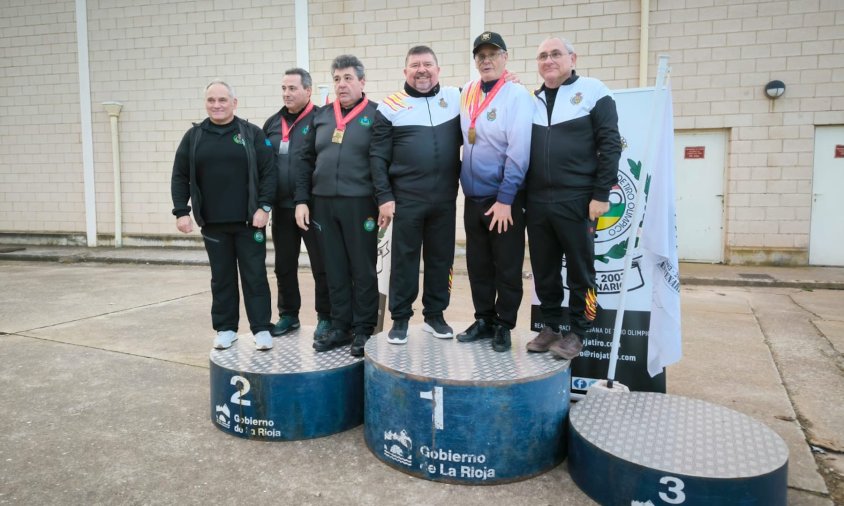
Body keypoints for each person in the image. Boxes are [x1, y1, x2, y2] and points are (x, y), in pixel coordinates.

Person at [525, 36, 622, 360]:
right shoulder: (532, 100)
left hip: (578, 198)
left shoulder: (595, 91)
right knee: (544, 269)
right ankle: (550, 325)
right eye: (542, 56)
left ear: (572, 58)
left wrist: (600, 193)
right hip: (538, 201)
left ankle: (579, 331)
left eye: (555, 54)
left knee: (582, 271)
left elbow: (610, 145)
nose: (548, 60)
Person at [171, 80, 277, 351]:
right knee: (222, 278)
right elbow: (180, 176)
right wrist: (181, 211)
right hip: (213, 223)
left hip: (249, 221)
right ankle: (226, 328)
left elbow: (269, 173)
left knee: (254, 276)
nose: (216, 105)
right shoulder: (194, 137)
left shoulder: (251, 133)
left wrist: (264, 207)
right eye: (211, 100)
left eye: (222, 100)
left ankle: (261, 329)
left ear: (234, 103)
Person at [369, 45, 462, 345]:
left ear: (438, 69)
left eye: (428, 64)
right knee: (405, 261)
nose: (422, 70)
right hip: (406, 199)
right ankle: (401, 318)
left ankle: (435, 315)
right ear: (405, 71)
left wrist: (507, 82)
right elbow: (377, 157)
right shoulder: (390, 106)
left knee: (441, 259)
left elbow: (488, 97)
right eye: (415, 65)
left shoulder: (456, 98)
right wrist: (384, 196)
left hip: (445, 200)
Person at [294, 55, 381, 358]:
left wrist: (384, 200)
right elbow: (305, 161)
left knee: (363, 269)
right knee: (334, 269)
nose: (341, 84)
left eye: (347, 78)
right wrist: (302, 200)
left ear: (361, 81)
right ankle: (341, 326)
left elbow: (382, 162)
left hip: (360, 204)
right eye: (336, 79)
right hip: (323, 204)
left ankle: (363, 328)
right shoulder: (320, 116)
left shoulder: (377, 114)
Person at [455, 32, 533, 352]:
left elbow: (519, 151)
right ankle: (484, 319)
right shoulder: (467, 92)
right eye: (481, 56)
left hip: (504, 200)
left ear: (505, 58)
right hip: (473, 199)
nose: (486, 60)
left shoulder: (516, 95)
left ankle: (504, 324)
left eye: (493, 54)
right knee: (478, 264)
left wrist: (506, 199)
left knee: (507, 265)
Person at [262, 68, 331, 341]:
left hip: (313, 207)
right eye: (283, 88)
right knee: (284, 265)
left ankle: (325, 316)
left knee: (321, 264)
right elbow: (264, 166)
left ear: (308, 91)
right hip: (282, 207)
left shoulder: (321, 120)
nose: (286, 94)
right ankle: (288, 315)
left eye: (292, 88)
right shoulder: (271, 123)